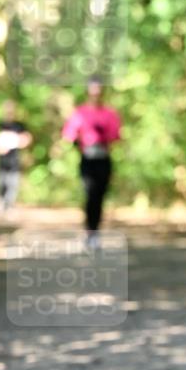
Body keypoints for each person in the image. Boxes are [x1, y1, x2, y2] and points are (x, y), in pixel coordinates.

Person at [62, 76, 121, 247]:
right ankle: (89, 230)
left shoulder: (109, 113)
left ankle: (95, 231)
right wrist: (78, 142)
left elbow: (115, 137)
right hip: (87, 160)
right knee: (90, 195)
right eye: (92, 89)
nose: (96, 93)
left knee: (99, 197)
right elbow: (69, 134)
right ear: (88, 91)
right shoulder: (80, 113)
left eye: (99, 89)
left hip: (103, 159)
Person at [0, 100, 32, 212]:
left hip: (14, 160)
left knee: (13, 184)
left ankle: (9, 205)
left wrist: (19, 141)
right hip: (2, 160)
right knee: (2, 183)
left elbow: (28, 138)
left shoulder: (19, 125)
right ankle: (2, 205)